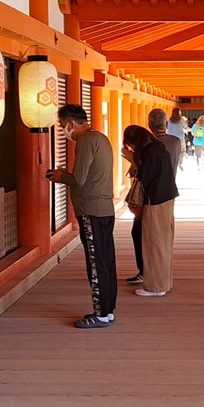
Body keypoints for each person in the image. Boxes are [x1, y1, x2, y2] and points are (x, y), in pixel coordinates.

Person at [46, 104, 118, 328]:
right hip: (104, 209)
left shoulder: (86, 141)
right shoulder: (100, 137)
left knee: (96, 263)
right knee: (106, 262)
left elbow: (79, 178)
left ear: (70, 123)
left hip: (91, 210)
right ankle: (108, 310)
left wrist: (60, 176)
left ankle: (101, 313)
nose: (63, 131)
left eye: (62, 126)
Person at [125, 108, 182, 285]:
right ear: (166, 124)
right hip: (166, 194)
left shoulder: (151, 148)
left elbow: (144, 175)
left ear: (149, 125)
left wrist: (133, 159)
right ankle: (157, 278)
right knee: (160, 239)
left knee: (151, 239)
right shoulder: (175, 141)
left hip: (154, 198)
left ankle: (151, 278)